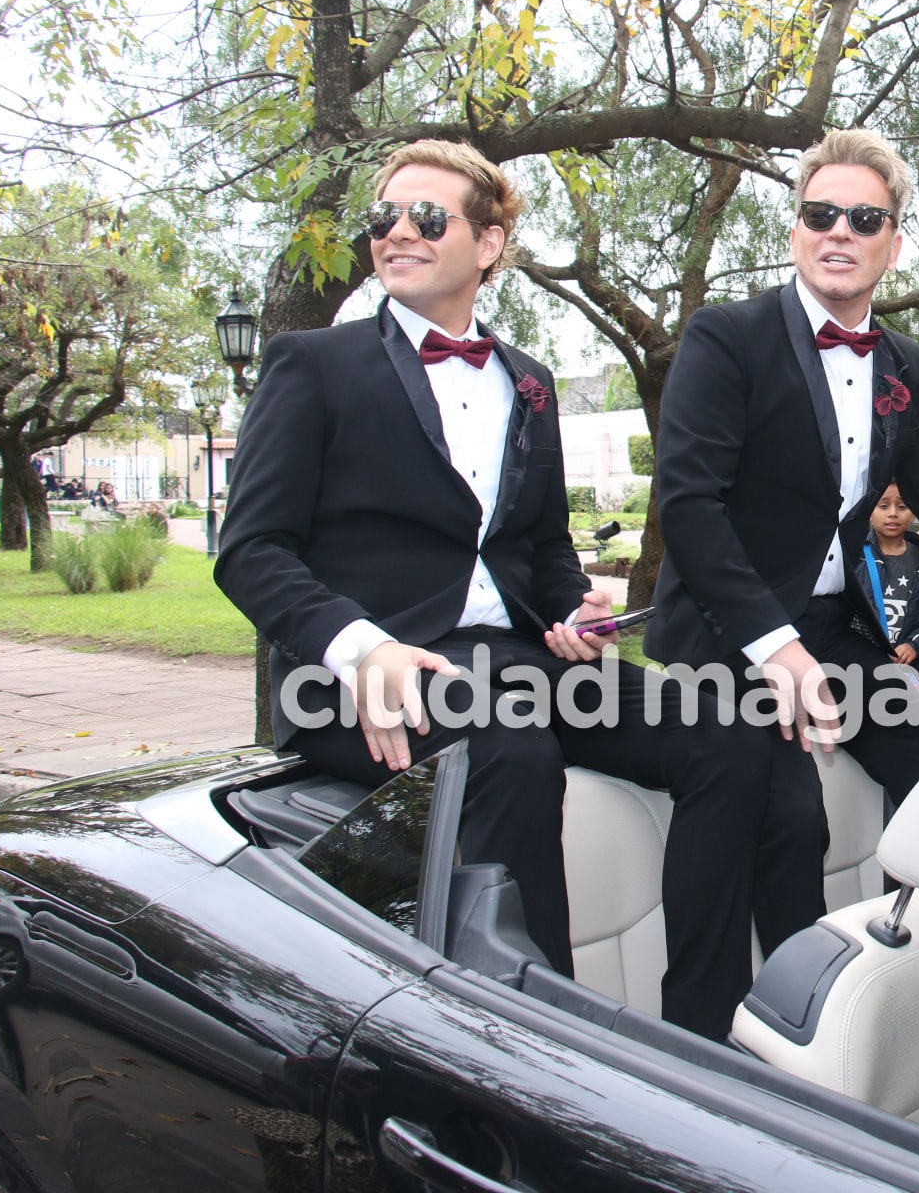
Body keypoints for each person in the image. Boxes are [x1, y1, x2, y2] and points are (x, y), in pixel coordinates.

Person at [215, 140, 787, 1041]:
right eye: (386, 218)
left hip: (516, 664)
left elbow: (541, 548)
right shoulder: (311, 366)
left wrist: (570, 610)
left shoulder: (530, 381)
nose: (398, 231)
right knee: (510, 749)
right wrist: (362, 648)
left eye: (426, 218)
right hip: (374, 670)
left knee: (726, 731)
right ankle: (543, 1045)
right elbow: (249, 550)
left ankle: (701, 1031)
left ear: (489, 244)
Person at [648, 127, 919, 953]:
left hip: (833, 633)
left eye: (863, 218)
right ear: (795, 230)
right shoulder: (725, 337)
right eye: (820, 214)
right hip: (725, 634)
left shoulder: (904, 363)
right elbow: (690, 505)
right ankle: (723, 1028)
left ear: (893, 242)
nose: (838, 232)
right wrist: (774, 648)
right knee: (785, 813)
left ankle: (908, 965)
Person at [858, 483, 919, 699]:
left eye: (902, 507)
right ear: (870, 511)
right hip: (863, 670)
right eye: (883, 506)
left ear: (913, 513)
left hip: (914, 673)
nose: (892, 513)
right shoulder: (854, 558)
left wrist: (915, 645)